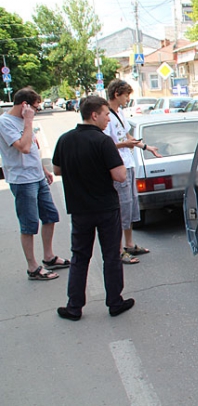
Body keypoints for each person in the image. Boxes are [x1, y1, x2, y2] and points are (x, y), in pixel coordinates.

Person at [52, 96, 135, 320]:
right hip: (106, 207)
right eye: (106, 114)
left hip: (79, 208)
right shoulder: (103, 142)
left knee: (79, 257)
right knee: (111, 255)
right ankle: (115, 302)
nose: (108, 119)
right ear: (94, 115)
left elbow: (57, 169)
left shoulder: (65, 139)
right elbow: (120, 175)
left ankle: (74, 306)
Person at [0, 87, 70, 281]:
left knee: (50, 216)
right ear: (25, 105)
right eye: (36, 108)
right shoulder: (5, 122)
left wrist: (43, 169)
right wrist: (29, 121)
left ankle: (49, 257)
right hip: (22, 180)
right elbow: (23, 147)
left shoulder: (24, 121)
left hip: (37, 176)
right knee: (29, 224)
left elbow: (32, 148)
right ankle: (32, 267)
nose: (37, 111)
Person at [104, 80, 161, 264]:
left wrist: (146, 147)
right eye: (126, 95)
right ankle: (119, 250)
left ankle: (129, 244)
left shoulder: (120, 113)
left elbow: (127, 136)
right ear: (116, 94)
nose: (128, 99)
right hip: (117, 166)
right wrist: (125, 145)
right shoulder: (106, 115)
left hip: (128, 164)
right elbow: (105, 144)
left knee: (130, 205)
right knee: (121, 207)